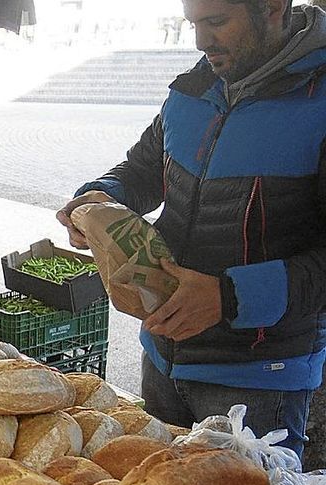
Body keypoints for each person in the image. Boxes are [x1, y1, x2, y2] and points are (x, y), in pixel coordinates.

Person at [58, 0, 326, 460]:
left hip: (258, 382)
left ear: (274, 7)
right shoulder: (195, 86)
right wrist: (101, 196)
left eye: (217, 22)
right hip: (162, 356)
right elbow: (144, 169)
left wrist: (228, 297)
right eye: (194, 24)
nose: (201, 41)